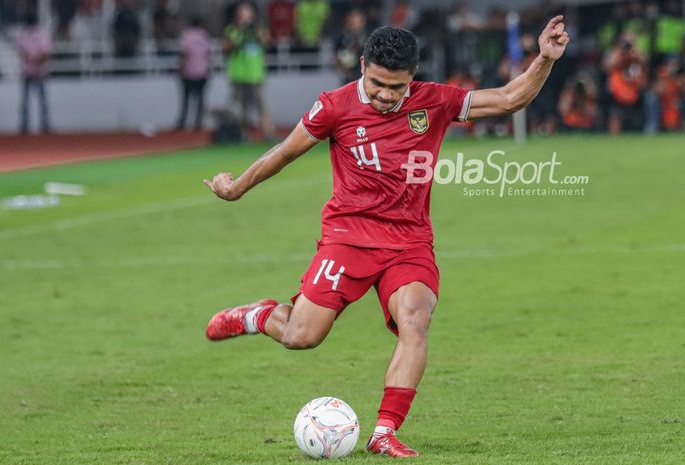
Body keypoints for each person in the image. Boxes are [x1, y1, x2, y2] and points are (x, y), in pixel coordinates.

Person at [204, 18, 569, 458]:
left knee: (415, 319)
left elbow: (509, 99)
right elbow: (284, 153)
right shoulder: (334, 106)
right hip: (348, 236)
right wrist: (235, 187)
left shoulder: (433, 101)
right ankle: (258, 316)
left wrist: (544, 60)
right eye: (377, 83)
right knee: (302, 336)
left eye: (395, 87)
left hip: (410, 242)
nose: (384, 94)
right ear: (362, 66)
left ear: (411, 79)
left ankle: (383, 432)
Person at [223, 2, 275, 140]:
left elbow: (267, 42)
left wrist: (256, 31)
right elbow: (226, 50)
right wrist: (238, 35)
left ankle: (268, 133)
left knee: (261, 106)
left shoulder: (258, 29)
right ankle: (243, 135)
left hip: (255, 74)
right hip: (238, 75)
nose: (246, 15)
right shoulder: (232, 30)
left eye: (248, 12)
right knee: (241, 108)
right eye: (243, 12)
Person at [17, 12, 52, 134]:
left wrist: (33, 61)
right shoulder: (38, 35)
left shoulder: (36, 35)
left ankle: (43, 125)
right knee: (29, 102)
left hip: (36, 71)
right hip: (31, 71)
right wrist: (36, 60)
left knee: (39, 101)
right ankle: (28, 126)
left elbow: (43, 54)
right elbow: (24, 54)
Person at [176, 16, 210, 131]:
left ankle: (183, 122)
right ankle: (198, 122)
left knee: (186, 99)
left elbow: (183, 53)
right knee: (200, 99)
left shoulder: (187, 36)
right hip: (202, 72)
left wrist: (180, 68)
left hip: (189, 72)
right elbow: (208, 54)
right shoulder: (204, 36)